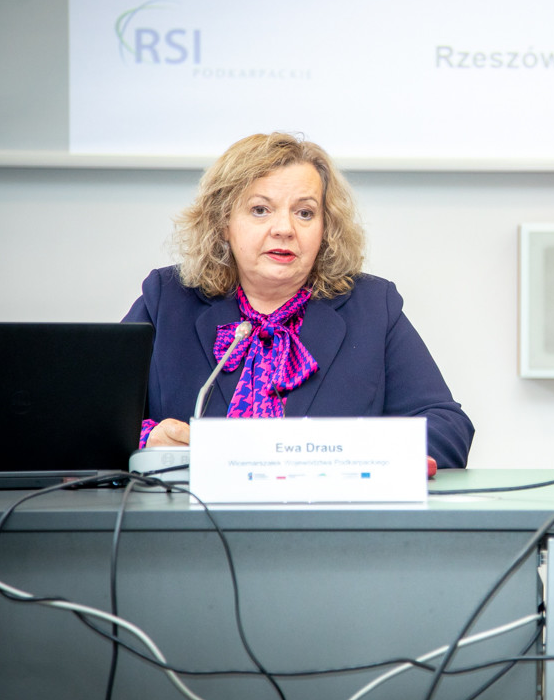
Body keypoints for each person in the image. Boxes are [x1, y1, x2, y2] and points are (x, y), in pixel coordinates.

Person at [124, 132, 473, 468]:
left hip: (327, 507)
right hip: (189, 507)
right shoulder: (167, 299)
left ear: (325, 229)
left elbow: (448, 428)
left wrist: (354, 455)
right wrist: (148, 440)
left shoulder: (372, 308)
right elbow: (96, 418)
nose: (284, 229)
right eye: (260, 210)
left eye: (304, 213)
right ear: (223, 223)